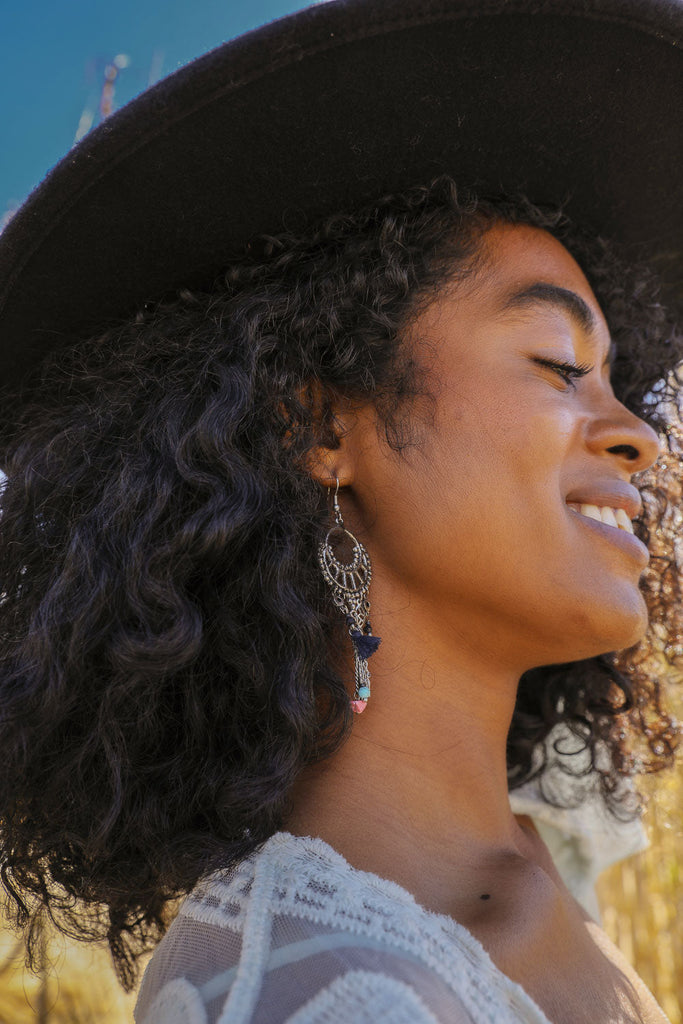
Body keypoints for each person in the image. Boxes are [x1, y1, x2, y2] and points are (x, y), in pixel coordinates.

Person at [0, 1, 681, 1022]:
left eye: (617, 382)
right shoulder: (313, 984)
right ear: (319, 429)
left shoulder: (535, 871)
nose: (638, 435)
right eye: (556, 363)